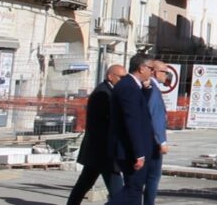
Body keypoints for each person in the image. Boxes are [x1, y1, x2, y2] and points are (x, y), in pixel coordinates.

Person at [66, 64, 127, 205]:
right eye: (121, 77)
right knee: (118, 191)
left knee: (85, 182)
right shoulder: (103, 93)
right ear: (110, 76)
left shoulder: (110, 91)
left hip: (98, 152)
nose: (124, 81)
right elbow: (103, 123)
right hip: (103, 150)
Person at [108, 53, 156, 205]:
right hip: (130, 150)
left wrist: (146, 90)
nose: (152, 72)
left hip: (133, 148)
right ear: (142, 68)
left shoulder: (133, 86)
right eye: (151, 68)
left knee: (134, 192)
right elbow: (132, 121)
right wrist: (139, 153)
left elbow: (139, 109)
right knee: (132, 190)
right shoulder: (128, 86)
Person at [142, 60, 170, 205]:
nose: (167, 75)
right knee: (153, 177)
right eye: (165, 72)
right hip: (152, 141)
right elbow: (155, 116)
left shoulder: (149, 87)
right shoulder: (152, 88)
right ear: (155, 72)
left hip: (146, 139)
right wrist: (162, 141)